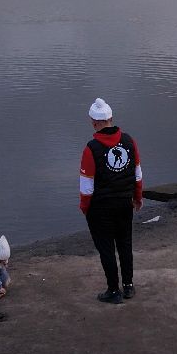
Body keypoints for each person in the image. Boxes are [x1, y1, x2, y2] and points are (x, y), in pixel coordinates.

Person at [78, 97, 142, 304]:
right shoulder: (129, 141)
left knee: (106, 249)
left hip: (101, 208)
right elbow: (137, 175)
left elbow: (86, 187)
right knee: (125, 244)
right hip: (124, 203)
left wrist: (85, 208)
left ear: (93, 122)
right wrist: (137, 197)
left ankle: (113, 291)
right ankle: (128, 286)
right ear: (111, 118)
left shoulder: (91, 148)